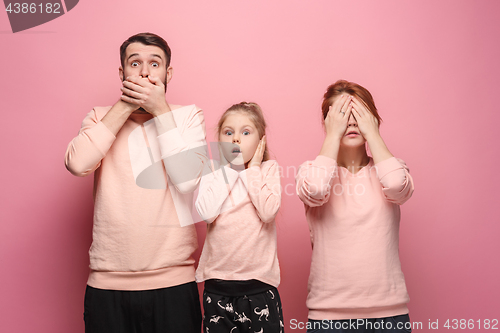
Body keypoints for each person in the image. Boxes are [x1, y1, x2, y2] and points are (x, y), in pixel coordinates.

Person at [65, 32, 206, 333]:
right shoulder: (100, 118)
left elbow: (187, 181)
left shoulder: (187, 117)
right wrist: (125, 105)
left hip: (174, 284)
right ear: (122, 73)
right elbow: (77, 164)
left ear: (168, 74)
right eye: (135, 64)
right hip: (107, 286)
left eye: (154, 64)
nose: (144, 72)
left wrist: (160, 110)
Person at [295, 80, 414, 333]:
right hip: (328, 317)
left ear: (373, 118)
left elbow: (396, 186)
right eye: (342, 115)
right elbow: (315, 189)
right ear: (328, 123)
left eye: (358, 114)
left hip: (389, 315)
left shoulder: (391, 169)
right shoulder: (311, 171)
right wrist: (332, 136)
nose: (350, 121)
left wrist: (373, 134)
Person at [195, 102, 284, 333]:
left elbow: (267, 212)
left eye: (246, 132)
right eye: (228, 132)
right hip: (218, 287)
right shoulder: (213, 172)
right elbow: (206, 212)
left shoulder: (267, 170)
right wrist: (231, 168)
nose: (236, 139)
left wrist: (252, 169)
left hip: (259, 287)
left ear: (260, 140)